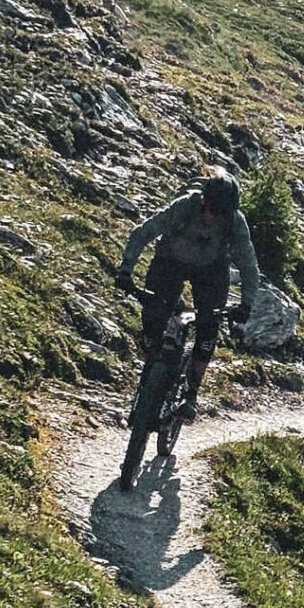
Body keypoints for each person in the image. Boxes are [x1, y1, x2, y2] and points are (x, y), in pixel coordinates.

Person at [115, 172, 260, 426]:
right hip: (169, 261)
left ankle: (191, 394)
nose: (213, 218)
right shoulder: (184, 206)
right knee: (153, 318)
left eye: (221, 213)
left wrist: (246, 304)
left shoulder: (235, 223)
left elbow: (249, 266)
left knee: (208, 328)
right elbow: (143, 232)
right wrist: (126, 269)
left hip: (211, 270)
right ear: (202, 201)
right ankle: (149, 381)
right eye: (211, 210)